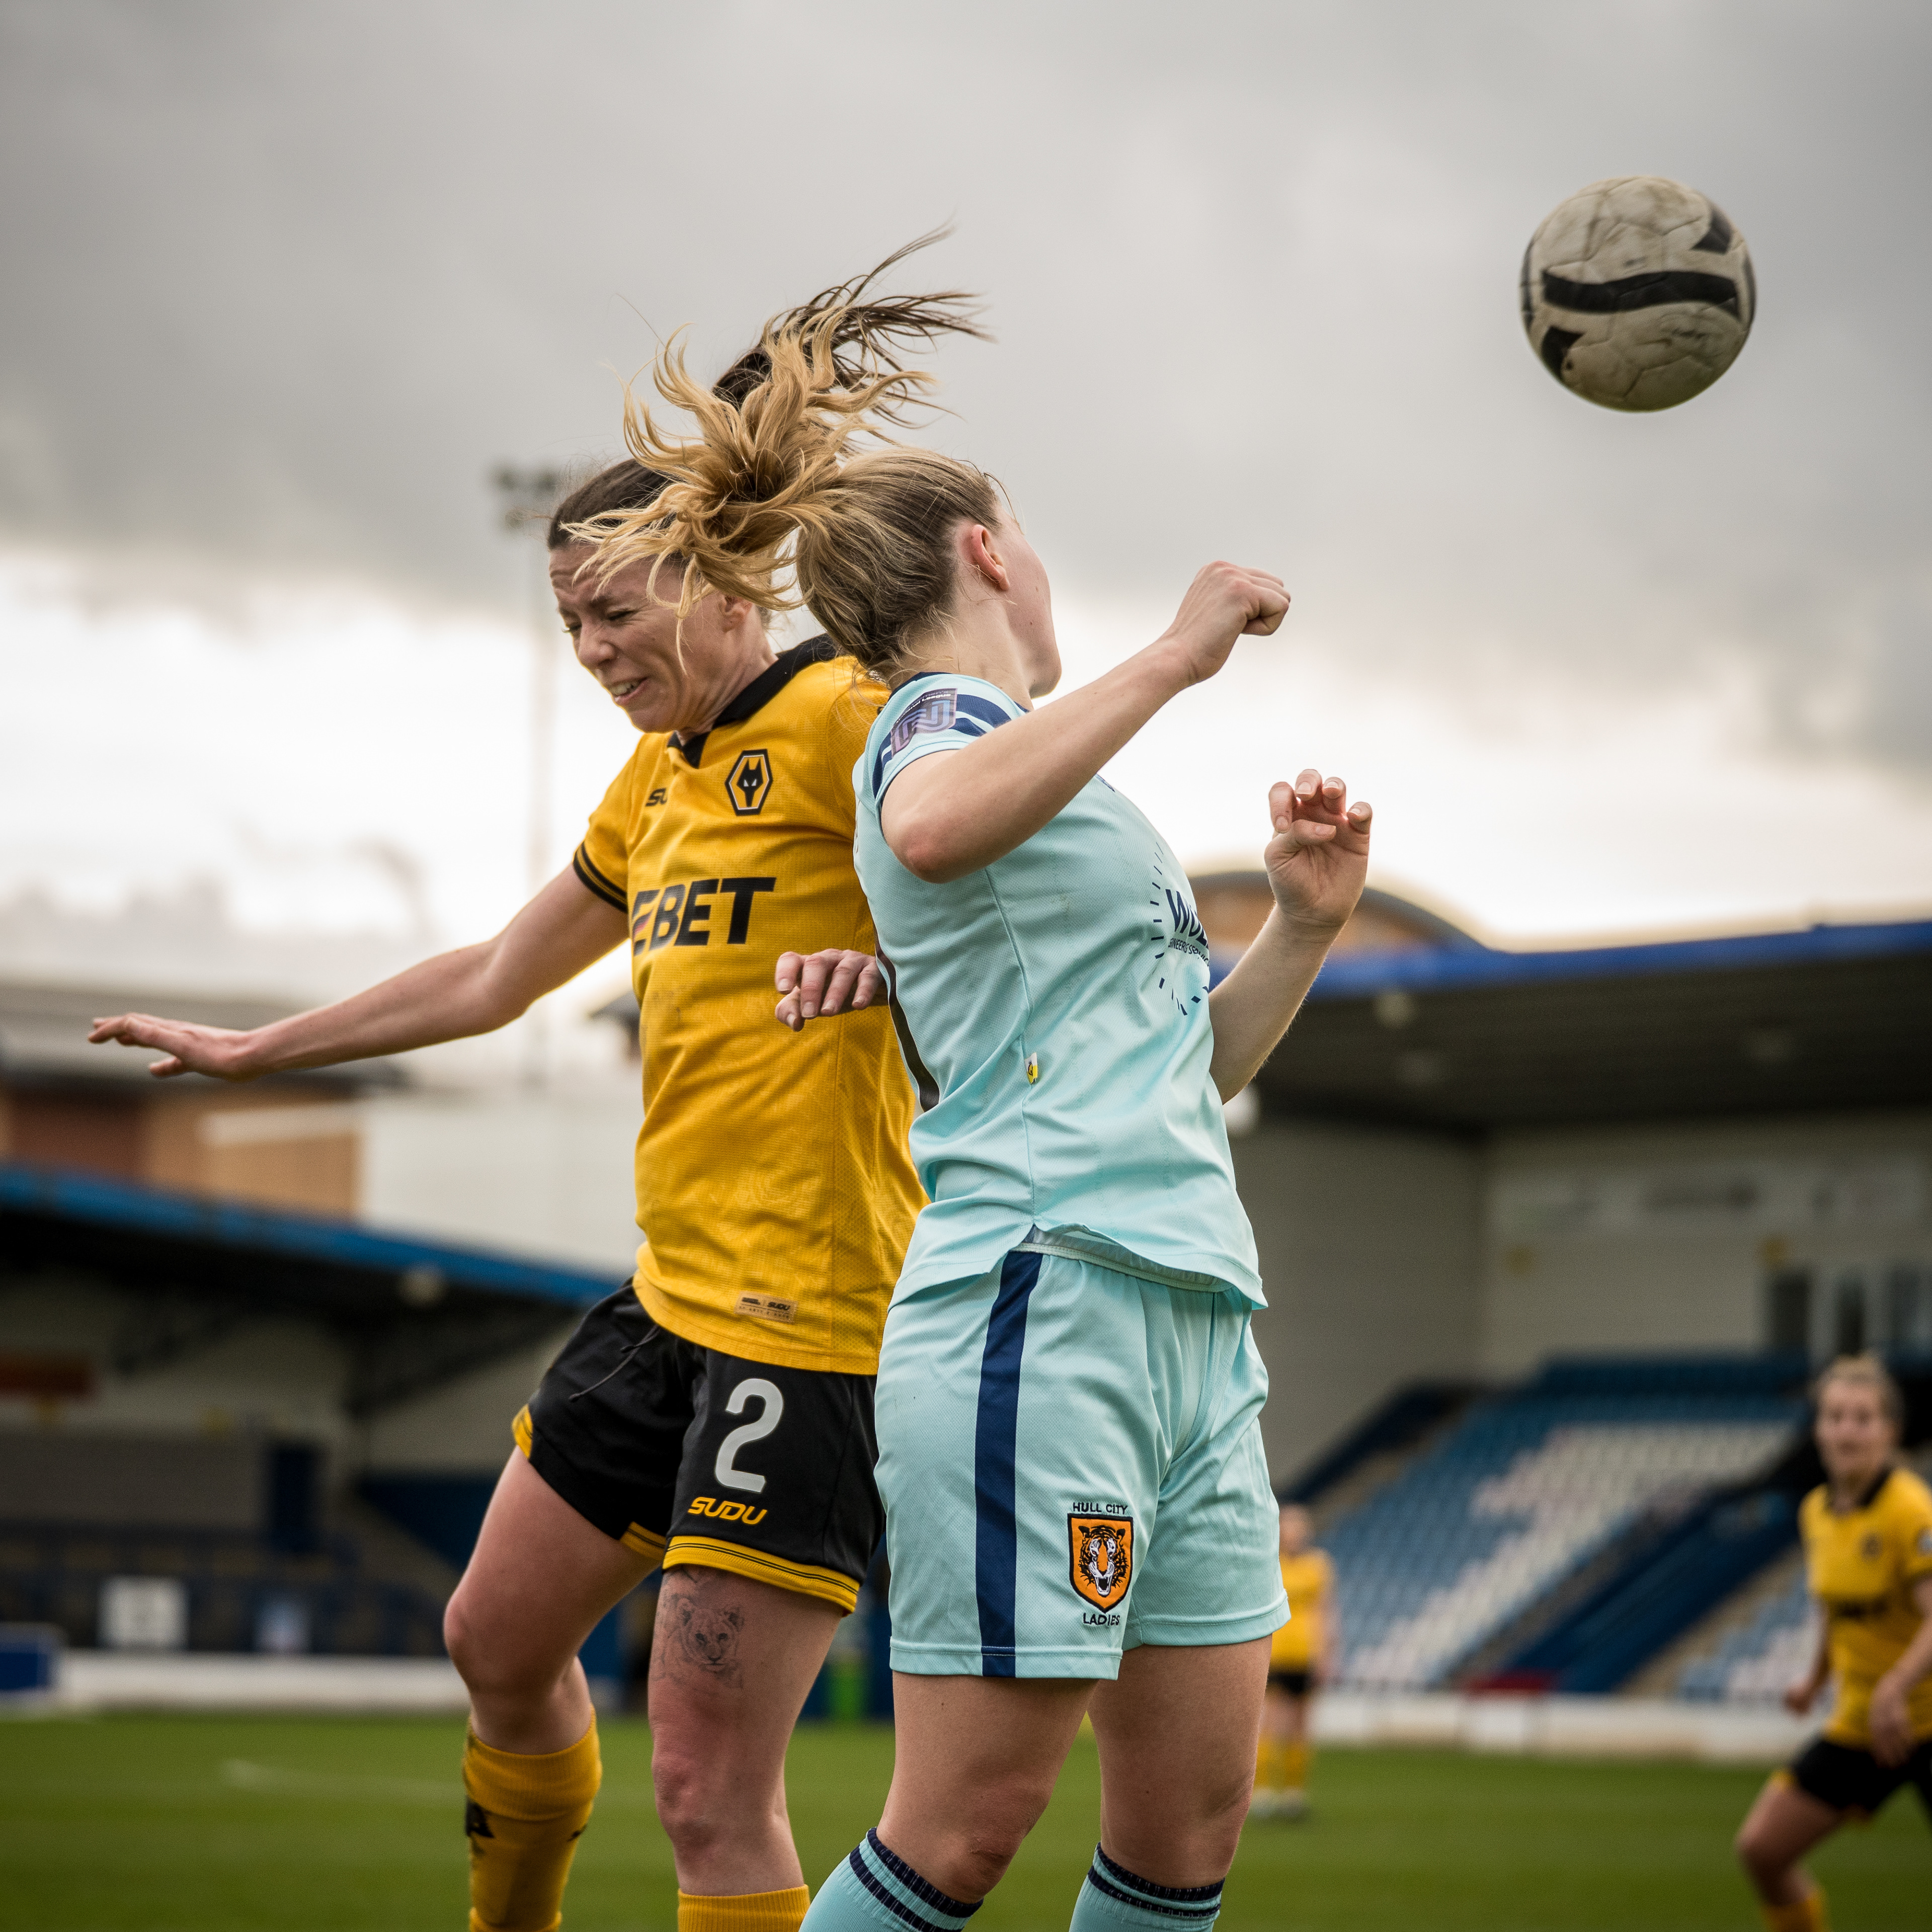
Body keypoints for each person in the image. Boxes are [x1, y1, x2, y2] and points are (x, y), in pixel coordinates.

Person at [88, 254, 986, 1932]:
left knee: (707, 1789)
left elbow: (1005, 877)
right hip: (670, 1304)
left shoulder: (853, 717)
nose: (589, 647)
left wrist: (895, 970)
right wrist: (252, 1052)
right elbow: (497, 975)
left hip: (814, 1327)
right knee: (494, 1642)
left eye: (613, 611)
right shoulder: (660, 778)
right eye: (568, 621)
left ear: (718, 577)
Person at [594, 301, 1372, 1932]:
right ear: (989, 552)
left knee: (1190, 1828)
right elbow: (934, 825)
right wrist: (1177, 654)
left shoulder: (1061, 785)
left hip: (1192, 1313)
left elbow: (1193, 1068)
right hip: (1045, 1297)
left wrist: (1301, 927)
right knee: (967, 1826)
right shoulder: (929, 723)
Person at [1734, 1354, 1932, 1931]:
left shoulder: (1910, 1510)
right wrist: (1815, 1678)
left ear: (1890, 1431)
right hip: (1863, 1726)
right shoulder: (1816, 1512)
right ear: (1818, 1429)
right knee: (1762, 1851)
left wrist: (1897, 1686)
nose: (1847, 1431)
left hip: (1924, 1719)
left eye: (1862, 1418)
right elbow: (1834, 1605)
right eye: (1835, 1417)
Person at [1252, 1502, 1337, 1820]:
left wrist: (1327, 1654)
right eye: (1287, 1526)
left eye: (1298, 1527)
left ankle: (1293, 1794)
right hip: (1276, 1653)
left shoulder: (1319, 1565)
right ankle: (1262, 1792)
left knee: (1301, 1726)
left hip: (1306, 1654)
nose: (1292, 1533)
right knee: (1269, 1724)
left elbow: (1326, 1611)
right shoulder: (1269, 1563)